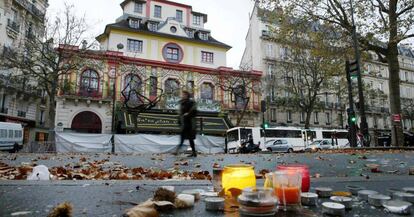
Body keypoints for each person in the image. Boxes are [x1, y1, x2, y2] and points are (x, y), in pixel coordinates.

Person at [176, 90, 198, 157]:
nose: (182, 96)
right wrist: (179, 120)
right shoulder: (182, 103)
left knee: (190, 138)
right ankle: (178, 150)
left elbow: (194, 112)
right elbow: (180, 113)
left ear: (187, 95)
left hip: (190, 123)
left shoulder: (191, 102)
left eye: (183, 94)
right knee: (183, 137)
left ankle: (178, 151)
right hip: (184, 123)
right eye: (182, 94)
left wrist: (188, 114)